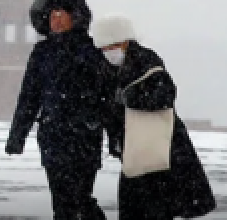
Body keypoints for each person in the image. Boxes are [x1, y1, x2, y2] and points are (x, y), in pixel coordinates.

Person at [6, 0, 116, 220]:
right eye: (51, 16)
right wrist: (17, 135)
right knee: (61, 201)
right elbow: (29, 96)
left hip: (85, 136)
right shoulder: (42, 52)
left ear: (74, 16)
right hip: (53, 137)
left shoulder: (92, 51)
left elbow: (107, 98)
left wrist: (116, 137)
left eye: (60, 15)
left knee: (81, 199)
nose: (55, 21)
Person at [93, 15, 217, 219]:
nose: (108, 52)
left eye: (111, 46)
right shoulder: (107, 68)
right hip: (135, 151)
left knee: (153, 208)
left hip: (158, 149)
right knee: (136, 208)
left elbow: (165, 95)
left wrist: (130, 98)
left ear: (124, 41)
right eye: (104, 48)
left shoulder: (146, 60)